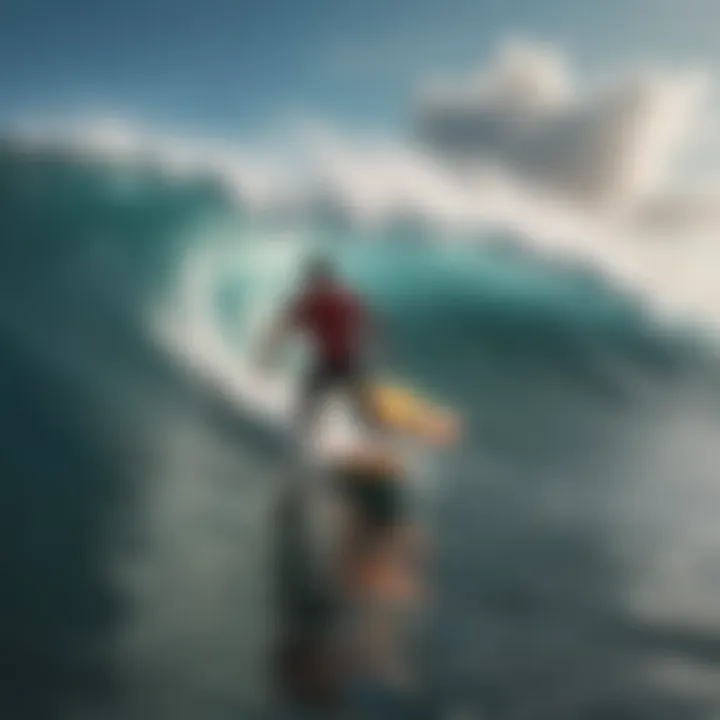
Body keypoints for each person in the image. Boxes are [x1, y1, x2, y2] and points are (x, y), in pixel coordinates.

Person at [259, 254, 382, 440]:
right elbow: (368, 325)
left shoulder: (312, 300)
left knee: (309, 406)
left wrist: (268, 353)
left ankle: (299, 441)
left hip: (332, 362)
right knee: (358, 405)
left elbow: (284, 325)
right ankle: (374, 440)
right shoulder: (345, 297)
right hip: (349, 360)